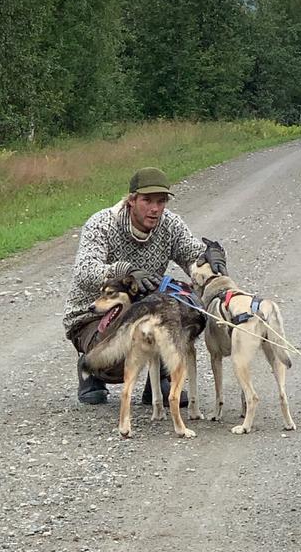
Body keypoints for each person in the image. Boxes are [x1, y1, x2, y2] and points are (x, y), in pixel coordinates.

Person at [63, 166, 227, 405]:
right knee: (120, 349)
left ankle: (159, 381)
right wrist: (124, 271)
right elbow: (84, 271)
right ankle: (90, 369)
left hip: (144, 311)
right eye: (147, 201)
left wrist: (212, 258)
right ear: (131, 200)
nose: (155, 209)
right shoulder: (101, 224)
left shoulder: (170, 225)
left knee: (181, 312)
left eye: (161, 202)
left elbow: (193, 256)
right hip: (91, 317)